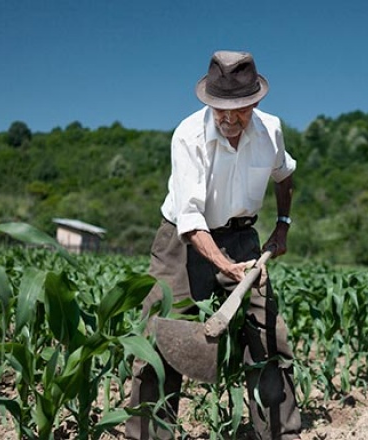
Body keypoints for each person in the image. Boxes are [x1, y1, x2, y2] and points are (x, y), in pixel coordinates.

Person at [126, 50, 301, 440]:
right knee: (158, 335)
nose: (225, 117)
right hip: (182, 242)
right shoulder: (189, 136)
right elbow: (190, 222)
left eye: (236, 109)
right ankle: (149, 436)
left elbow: (284, 174)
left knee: (269, 336)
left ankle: (277, 434)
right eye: (217, 108)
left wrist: (283, 225)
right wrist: (224, 265)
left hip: (243, 239)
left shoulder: (271, 130)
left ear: (254, 102)